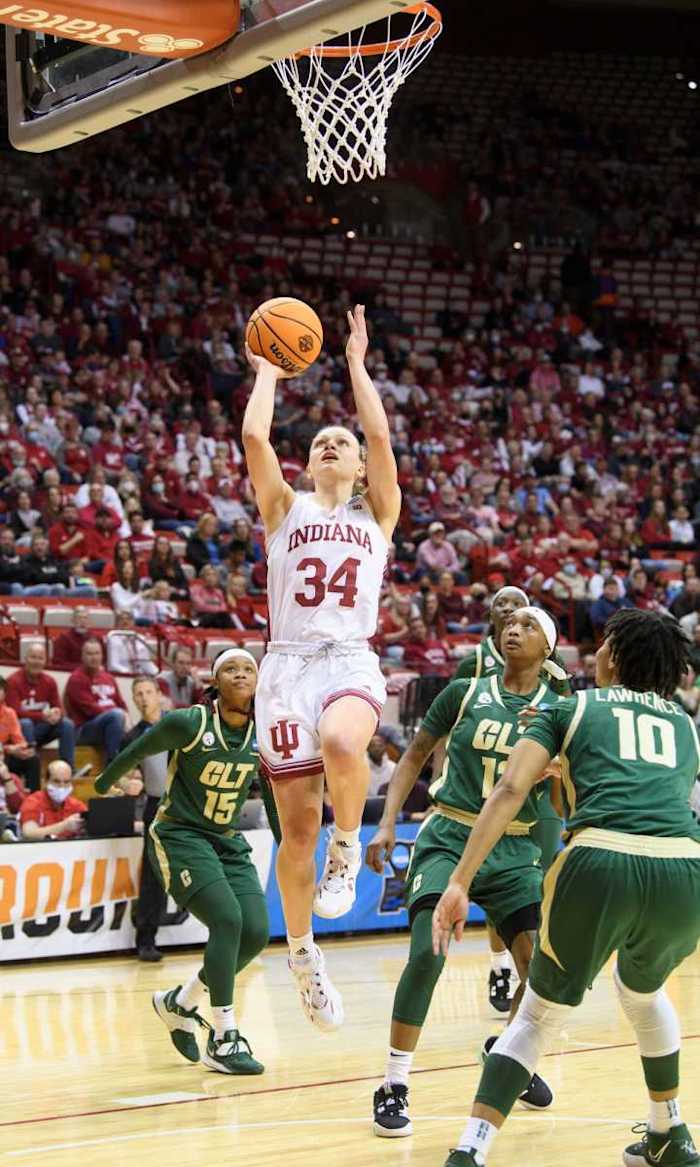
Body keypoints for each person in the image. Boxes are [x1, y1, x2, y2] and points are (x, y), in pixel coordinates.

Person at [432, 609, 700, 1167]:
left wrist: (459, 882)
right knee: (644, 993)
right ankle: (669, 1132)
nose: (596, 653)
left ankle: (470, 1151)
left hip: (602, 858)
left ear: (618, 658)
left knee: (536, 1016)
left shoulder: (568, 705)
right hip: (685, 866)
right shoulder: (685, 722)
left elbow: (508, 788)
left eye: (605, 645)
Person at [242, 304, 401, 1031]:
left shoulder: (378, 512)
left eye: (344, 442)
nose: (335, 444)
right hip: (284, 668)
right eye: (322, 441)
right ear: (308, 463)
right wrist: (269, 371)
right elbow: (253, 435)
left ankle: (351, 841)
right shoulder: (285, 508)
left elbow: (379, 431)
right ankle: (304, 957)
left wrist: (356, 364)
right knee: (292, 832)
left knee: (345, 742)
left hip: (347, 658)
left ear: (361, 465)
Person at [366, 607, 559, 1138]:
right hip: (450, 834)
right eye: (509, 622)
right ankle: (393, 1084)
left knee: (542, 974)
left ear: (549, 647)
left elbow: (566, 796)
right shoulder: (465, 692)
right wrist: (386, 824)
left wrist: (561, 772)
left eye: (528, 624)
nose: (513, 629)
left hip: (515, 848)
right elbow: (412, 758)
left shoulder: (561, 709)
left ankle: (507, 1052)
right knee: (429, 955)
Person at [94, 649, 275, 1074]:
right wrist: (104, 783)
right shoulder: (188, 722)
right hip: (180, 833)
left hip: (227, 840)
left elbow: (269, 793)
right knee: (227, 920)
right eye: (231, 669)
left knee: (255, 934)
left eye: (249, 668)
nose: (241, 674)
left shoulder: (262, 732)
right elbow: (138, 748)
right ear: (215, 681)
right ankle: (225, 1037)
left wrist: (289, 847)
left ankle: (180, 1003)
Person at [454, 586, 572, 1013]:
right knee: (494, 877)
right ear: (491, 614)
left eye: (520, 610)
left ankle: (528, 975)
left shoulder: (556, 678)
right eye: (502, 607)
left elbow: (569, 734)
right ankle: (500, 962)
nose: (510, 615)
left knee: (528, 889)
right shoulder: (476, 664)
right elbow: (452, 727)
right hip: (482, 792)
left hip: (536, 798)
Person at [120, 677, 169, 962]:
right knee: (153, 875)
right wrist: (127, 784)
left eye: (148, 691)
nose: (143, 697)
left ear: (159, 694)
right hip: (154, 805)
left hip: (187, 804)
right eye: (138, 694)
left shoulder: (177, 724)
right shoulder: (132, 737)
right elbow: (118, 777)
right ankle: (146, 941)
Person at [5, 642, 75, 767]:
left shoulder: (49, 681)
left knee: (67, 724)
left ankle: (68, 768)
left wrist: (56, 714)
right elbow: (15, 713)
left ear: (45, 661)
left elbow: (59, 708)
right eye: (33, 657)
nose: (36, 662)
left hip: (41, 730)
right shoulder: (13, 681)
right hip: (19, 733)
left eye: (40, 658)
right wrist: (42, 716)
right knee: (26, 723)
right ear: (25, 659)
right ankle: (33, 765)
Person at [65, 639, 128, 762]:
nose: (94, 657)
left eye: (97, 653)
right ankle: (112, 764)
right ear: (82, 656)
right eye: (89, 654)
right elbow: (91, 710)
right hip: (84, 730)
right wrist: (120, 715)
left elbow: (121, 703)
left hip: (111, 724)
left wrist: (126, 717)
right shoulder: (76, 679)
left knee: (141, 728)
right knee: (116, 716)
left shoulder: (109, 677)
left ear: (102, 655)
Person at [20, 760, 87, 840]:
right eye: (56, 781)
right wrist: (64, 826)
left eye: (66, 782)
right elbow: (29, 833)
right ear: (46, 781)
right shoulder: (33, 802)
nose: (62, 786)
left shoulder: (76, 805)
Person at [0, 676, 40, 791]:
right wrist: (8, 749)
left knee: (32, 758)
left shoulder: (9, 713)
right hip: (4, 753)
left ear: (4, 694)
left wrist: (22, 749)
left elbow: (20, 740)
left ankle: (33, 799)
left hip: (5, 756)